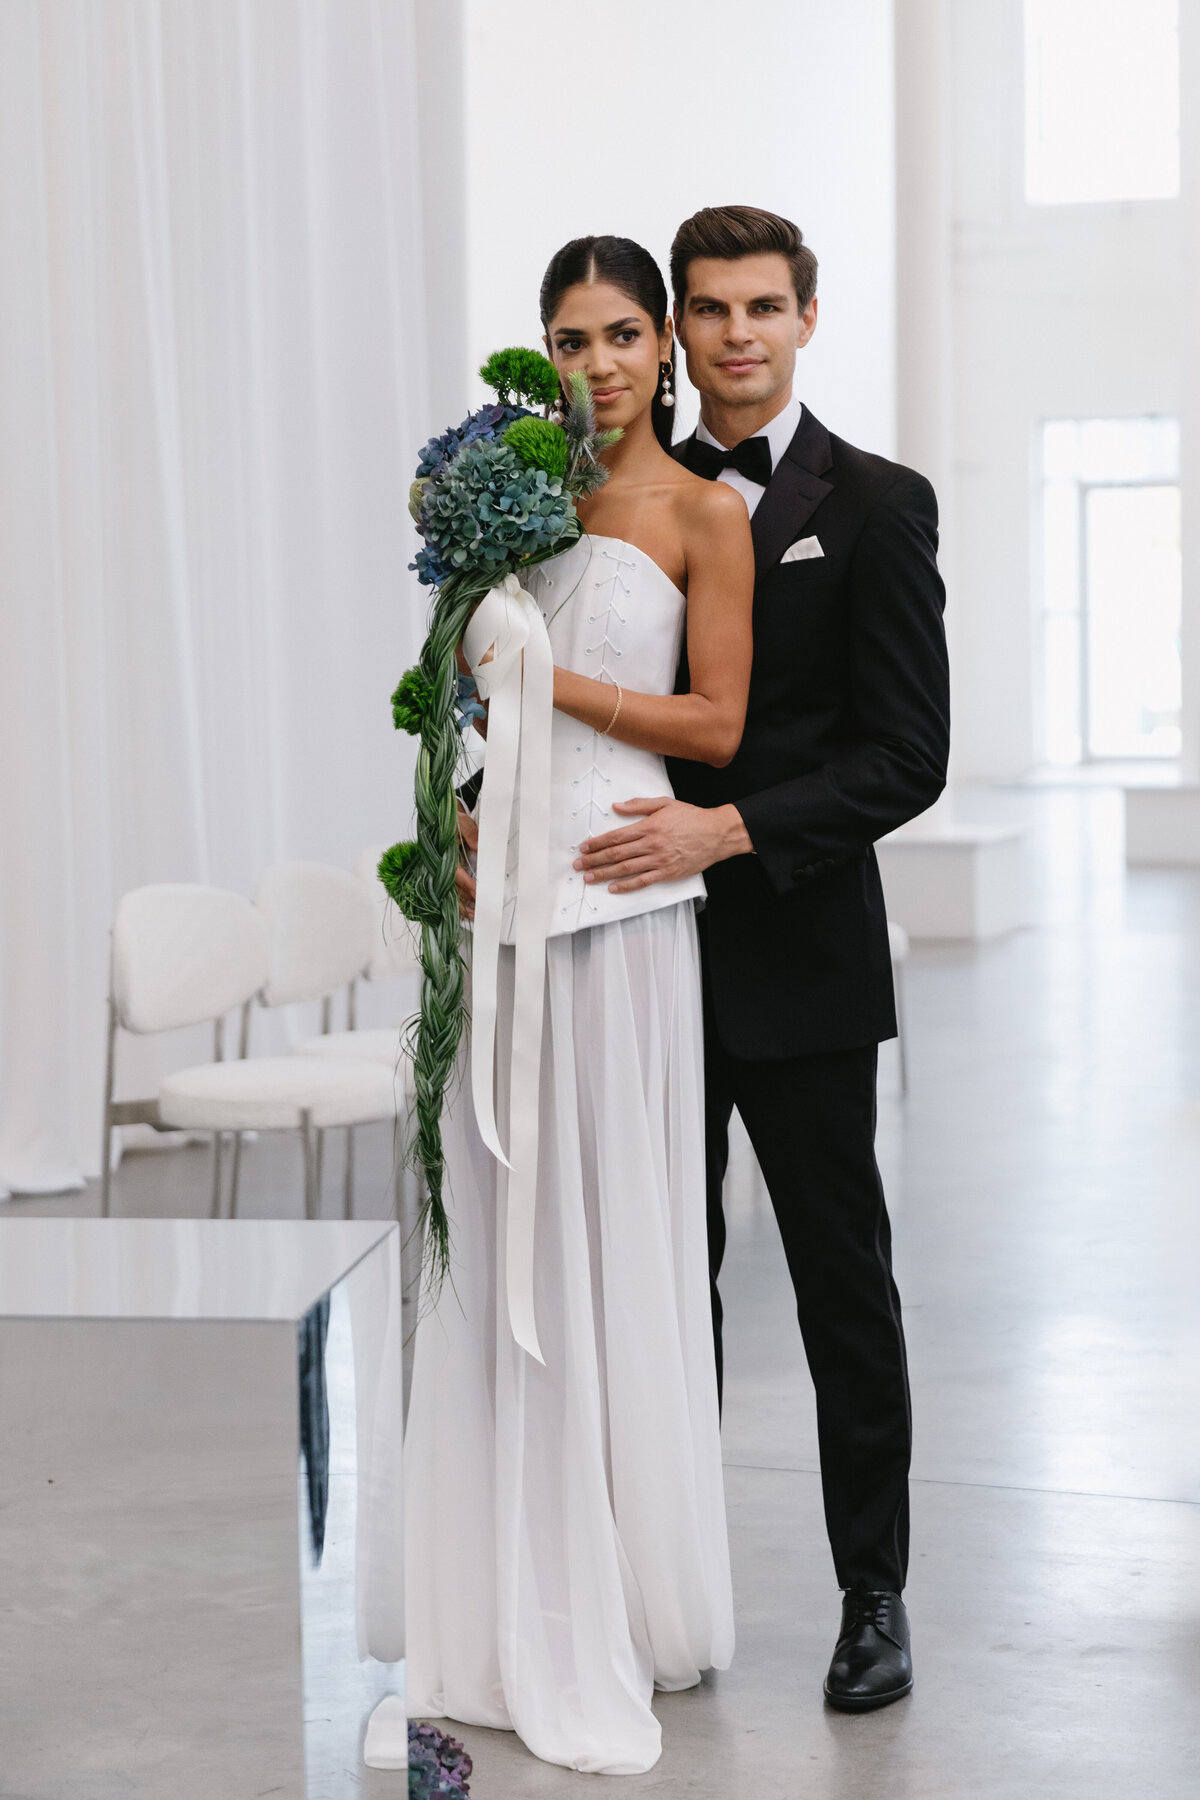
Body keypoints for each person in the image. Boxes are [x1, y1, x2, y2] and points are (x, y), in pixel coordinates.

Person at [574, 205, 951, 1712]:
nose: (736, 336)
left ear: (806, 319)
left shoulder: (878, 503)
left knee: (837, 1283)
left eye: (763, 309)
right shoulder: (609, 492)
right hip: (632, 954)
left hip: (797, 956)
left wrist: (727, 832)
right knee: (663, 1286)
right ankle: (669, 1588)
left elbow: (908, 757)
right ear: (678, 328)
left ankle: (875, 1597)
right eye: (711, 310)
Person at [404, 235, 753, 1775]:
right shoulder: (510, 503)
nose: (597, 363)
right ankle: (505, 1590)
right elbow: (468, 710)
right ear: (541, 351)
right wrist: (464, 813)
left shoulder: (704, 515)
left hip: (627, 907)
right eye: (569, 337)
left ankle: (624, 1583)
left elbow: (719, 724)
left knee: (612, 1241)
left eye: (622, 334)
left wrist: (560, 696)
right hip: (508, 920)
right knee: (507, 1240)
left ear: (664, 347)